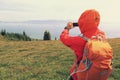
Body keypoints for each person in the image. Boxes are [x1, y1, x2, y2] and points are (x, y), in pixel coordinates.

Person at [60, 9, 106, 80]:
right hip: (97, 74)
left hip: (80, 75)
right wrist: (83, 24)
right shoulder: (101, 35)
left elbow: (64, 38)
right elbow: (91, 27)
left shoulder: (80, 40)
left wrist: (67, 28)